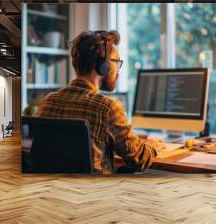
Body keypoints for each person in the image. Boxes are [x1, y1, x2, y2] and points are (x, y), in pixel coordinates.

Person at [36, 30, 164, 173]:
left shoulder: (47, 101)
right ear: (104, 66)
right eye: (117, 63)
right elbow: (138, 159)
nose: (118, 71)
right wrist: (152, 146)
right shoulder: (108, 108)